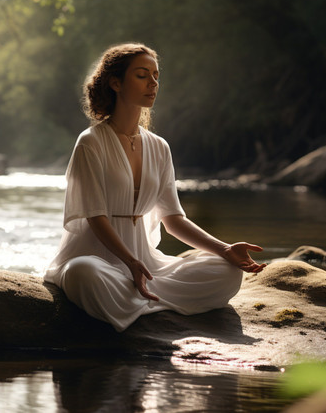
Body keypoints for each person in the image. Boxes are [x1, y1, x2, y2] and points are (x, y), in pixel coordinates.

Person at [44, 43, 266, 332]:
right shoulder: (90, 142)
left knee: (226, 272)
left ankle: (140, 301)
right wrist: (130, 262)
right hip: (98, 259)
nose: (153, 83)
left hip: (148, 264)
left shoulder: (159, 147)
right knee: (83, 274)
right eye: (141, 75)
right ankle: (146, 299)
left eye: (156, 75)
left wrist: (225, 250)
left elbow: (173, 220)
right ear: (115, 83)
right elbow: (96, 219)